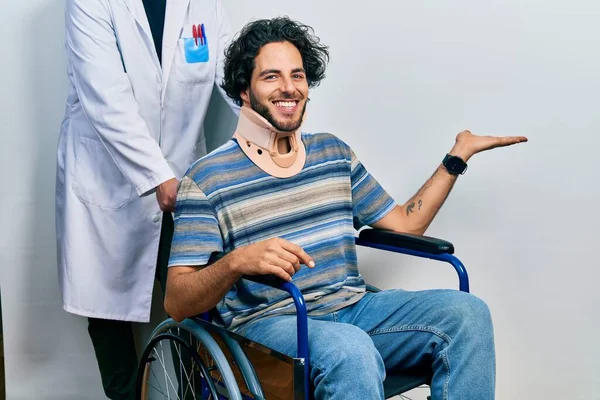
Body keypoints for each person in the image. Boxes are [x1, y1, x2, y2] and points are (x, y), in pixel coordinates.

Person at [164, 17, 528, 399]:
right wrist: (237, 261)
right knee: (348, 350)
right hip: (268, 327)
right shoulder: (207, 178)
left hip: (354, 310)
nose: (289, 87)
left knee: (467, 314)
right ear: (244, 89)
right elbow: (176, 301)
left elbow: (404, 223)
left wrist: (458, 155)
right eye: (271, 76)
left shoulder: (332, 153)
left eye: (298, 75)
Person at [55, 0, 238, 398]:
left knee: (196, 305)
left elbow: (233, 72)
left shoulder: (204, 4)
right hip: (107, 180)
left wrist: (272, 115)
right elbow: (106, 99)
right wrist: (157, 176)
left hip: (183, 178)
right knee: (108, 314)